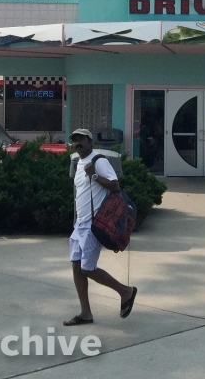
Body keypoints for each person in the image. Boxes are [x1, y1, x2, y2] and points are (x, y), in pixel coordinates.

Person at [64, 128, 137, 326]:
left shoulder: (99, 161)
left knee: (87, 268)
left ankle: (126, 291)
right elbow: (79, 194)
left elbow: (115, 186)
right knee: (77, 266)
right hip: (79, 224)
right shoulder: (79, 163)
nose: (77, 143)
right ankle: (85, 313)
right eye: (74, 141)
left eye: (81, 140)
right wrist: (75, 219)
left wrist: (94, 175)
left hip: (94, 224)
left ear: (90, 141)